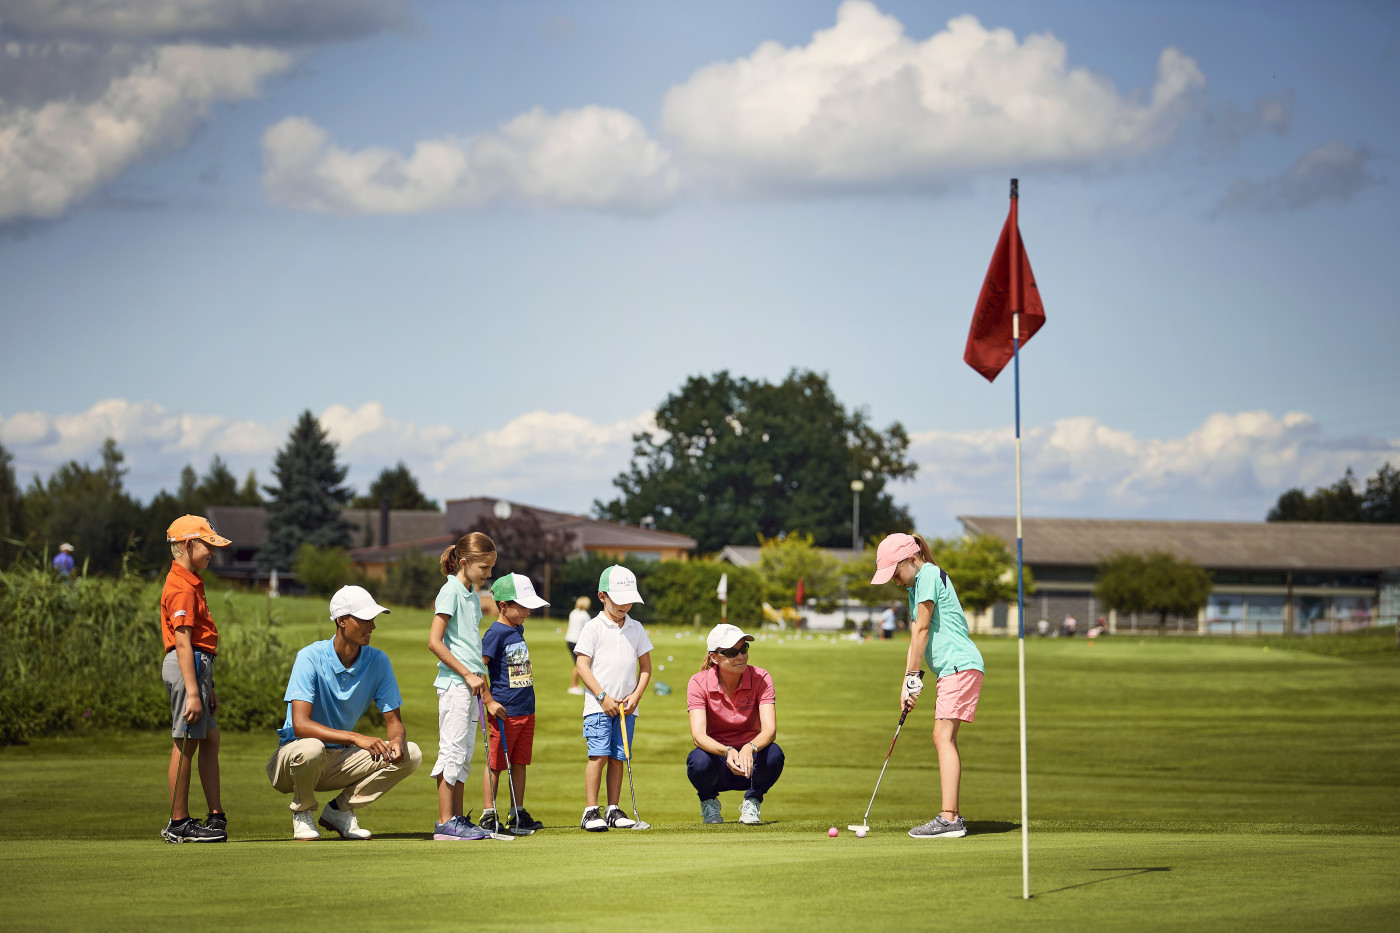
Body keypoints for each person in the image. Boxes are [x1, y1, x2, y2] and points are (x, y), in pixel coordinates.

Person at [266, 585, 421, 840]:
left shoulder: (378, 661)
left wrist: (396, 740)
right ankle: (302, 813)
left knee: (411, 753)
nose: (372, 626)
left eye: (373, 619)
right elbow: (300, 724)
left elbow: (394, 722)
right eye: (365, 619)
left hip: (339, 760)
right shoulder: (309, 657)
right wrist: (355, 737)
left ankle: (340, 810)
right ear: (341, 620)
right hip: (292, 761)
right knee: (312, 747)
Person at [871, 532, 985, 840]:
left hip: (959, 664)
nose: (895, 581)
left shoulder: (929, 575)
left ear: (910, 559)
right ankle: (951, 817)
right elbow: (915, 637)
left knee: (942, 736)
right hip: (953, 668)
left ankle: (949, 819)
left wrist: (913, 675)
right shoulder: (916, 585)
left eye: (895, 573)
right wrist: (908, 681)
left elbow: (923, 629)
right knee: (944, 737)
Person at [160, 516, 232, 843]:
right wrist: (193, 692)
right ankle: (179, 822)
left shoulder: (191, 582)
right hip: (187, 667)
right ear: (189, 545)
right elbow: (183, 641)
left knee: (210, 738)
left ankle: (216, 814)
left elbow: (198, 643)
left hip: (198, 668)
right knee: (185, 741)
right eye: (208, 546)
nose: (213, 552)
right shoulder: (181, 587)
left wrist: (207, 686)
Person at [427, 532, 498, 841]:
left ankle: (457, 819)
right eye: (484, 567)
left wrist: (480, 684)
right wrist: (468, 675)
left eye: (491, 567)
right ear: (465, 562)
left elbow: (469, 645)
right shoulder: (450, 591)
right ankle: (445, 822)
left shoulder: (471, 594)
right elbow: (435, 642)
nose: (488, 574)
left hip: (470, 687)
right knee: (452, 751)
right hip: (455, 684)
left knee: (464, 755)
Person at [573, 565, 653, 832]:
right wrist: (602, 696)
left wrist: (636, 696)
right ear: (602, 596)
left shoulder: (636, 628)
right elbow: (582, 665)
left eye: (629, 600)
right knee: (599, 755)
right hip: (599, 706)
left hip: (626, 708)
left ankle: (613, 809)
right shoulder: (593, 627)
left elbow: (646, 668)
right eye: (619, 600)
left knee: (620, 757)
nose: (625, 605)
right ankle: (590, 811)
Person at [685, 623, 783, 825]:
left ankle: (753, 801)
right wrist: (727, 751)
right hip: (718, 761)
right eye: (731, 652)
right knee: (698, 761)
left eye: (743, 649)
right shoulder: (698, 682)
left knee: (774, 754)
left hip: (751, 762)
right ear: (714, 657)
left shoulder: (761, 677)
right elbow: (698, 736)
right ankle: (709, 802)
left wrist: (749, 747)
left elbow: (770, 730)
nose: (740, 657)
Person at [479, 572, 548, 835]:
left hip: (526, 710)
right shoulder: (494, 634)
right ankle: (488, 814)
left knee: (520, 762)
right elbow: (478, 668)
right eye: (523, 606)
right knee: (496, 764)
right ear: (503, 606)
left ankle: (517, 812)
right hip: (504, 711)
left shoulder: (516, 629)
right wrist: (488, 701)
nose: (528, 611)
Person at [565, 595, 591, 695]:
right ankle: (573, 685)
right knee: (578, 664)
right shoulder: (585, 615)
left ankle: (575, 684)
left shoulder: (573, 612)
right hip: (577, 641)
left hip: (569, 639)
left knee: (577, 663)